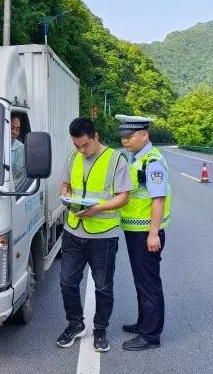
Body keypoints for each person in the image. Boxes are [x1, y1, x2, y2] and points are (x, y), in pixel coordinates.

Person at [56, 117, 132, 352]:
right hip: (73, 230)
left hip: (103, 235)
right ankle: (75, 324)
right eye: (77, 145)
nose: (81, 150)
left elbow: (124, 197)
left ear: (96, 136)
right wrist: (66, 196)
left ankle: (100, 329)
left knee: (103, 286)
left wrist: (98, 208)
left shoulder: (116, 159)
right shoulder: (73, 157)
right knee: (67, 282)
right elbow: (65, 185)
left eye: (85, 145)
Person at [116, 114, 171, 351]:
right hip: (135, 230)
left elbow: (158, 199)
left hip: (145, 233)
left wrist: (153, 233)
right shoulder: (136, 158)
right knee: (141, 281)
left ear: (144, 135)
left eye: (129, 136)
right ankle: (143, 323)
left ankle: (150, 336)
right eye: (123, 136)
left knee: (149, 284)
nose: (125, 140)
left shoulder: (152, 162)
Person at [10, 114, 25, 184]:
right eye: (11, 128)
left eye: (17, 129)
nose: (14, 132)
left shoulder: (20, 147)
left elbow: (17, 174)